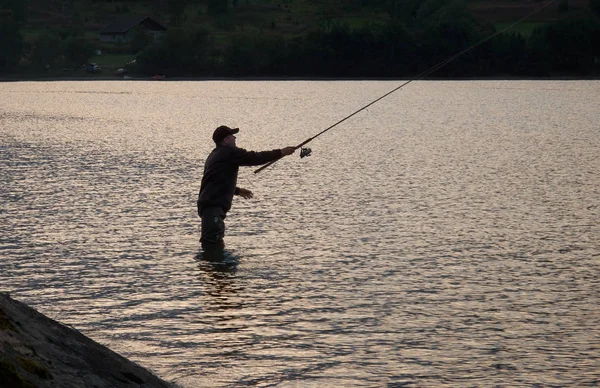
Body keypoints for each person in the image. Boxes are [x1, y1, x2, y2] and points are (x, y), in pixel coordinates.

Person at [197, 125, 296, 251]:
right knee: (212, 245)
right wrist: (281, 152)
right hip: (213, 209)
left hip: (210, 208)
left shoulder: (216, 154)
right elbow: (254, 157)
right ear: (226, 140)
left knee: (213, 243)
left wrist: (236, 191)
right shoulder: (229, 153)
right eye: (232, 136)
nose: (235, 137)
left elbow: (215, 182)